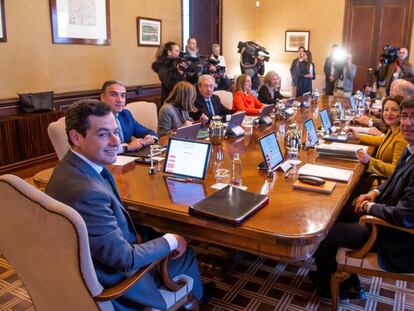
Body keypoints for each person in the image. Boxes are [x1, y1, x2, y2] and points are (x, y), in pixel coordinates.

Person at [45, 99, 212, 310]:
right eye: (104, 134)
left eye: (116, 131)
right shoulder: (87, 193)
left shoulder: (70, 168)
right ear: (76, 137)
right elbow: (125, 259)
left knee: (158, 233)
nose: (117, 141)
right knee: (185, 251)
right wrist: (173, 239)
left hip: (93, 254)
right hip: (117, 280)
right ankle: (193, 299)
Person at [312, 96, 414, 300]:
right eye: (404, 116)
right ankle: (334, 272)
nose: (406, 122)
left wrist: (369, 207)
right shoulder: (410, 149)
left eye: (413, 117)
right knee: (335, 212)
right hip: (384, 214)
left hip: (392, 236)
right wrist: (374, 193)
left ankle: (344, 285)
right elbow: (393, 179)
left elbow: (404, 217)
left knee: (324, 234)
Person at [349, 95, 407, 183]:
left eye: (394, 110)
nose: (389, 113)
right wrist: (358, 136)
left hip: (382, 185)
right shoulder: (394, 129)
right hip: (377, 178)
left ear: (403, 112)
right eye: (386, 109)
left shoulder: (402, 137)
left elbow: (395, 170)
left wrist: (369, 160)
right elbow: (382, 140)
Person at [100, 80, 158, 154]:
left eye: (123, 96)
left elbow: (148, 132)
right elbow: (99, 150)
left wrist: (150, 138)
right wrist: (127, 147)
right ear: (103, 97)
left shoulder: (125, 114)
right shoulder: (96, 119)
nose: (120, 100)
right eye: (114, 95)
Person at [152, 41, 197, 107]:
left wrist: (197, 74)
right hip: (170, 102)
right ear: (169, 52)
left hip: (183, 100)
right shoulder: (163, 67)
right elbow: (171, 86)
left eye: (179, 51)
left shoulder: (179, 64)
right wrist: (180, 72)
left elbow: (188, 82)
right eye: (176, 51)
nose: (179, 53)